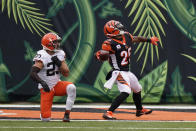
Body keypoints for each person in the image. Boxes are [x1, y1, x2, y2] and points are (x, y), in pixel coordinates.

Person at [95, 20, 159, 120]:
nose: (121, 29)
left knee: (137, 89)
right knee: (126, 91)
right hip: (118, 71)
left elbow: (136, 38)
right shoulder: (109, 43)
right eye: (118, 28)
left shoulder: (126, 36)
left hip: (126, 71)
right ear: (112, 32)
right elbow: (103, 54)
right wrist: (99, 55)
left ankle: (139, 110)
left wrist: (149, 40)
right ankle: (108, 112)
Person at [30, 32, 76, 122]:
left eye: (58, 42)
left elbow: (66, 73)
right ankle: (43, 114)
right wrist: (42, 83)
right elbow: (33, 73)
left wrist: (59, 63)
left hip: (57, 84)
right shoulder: (42, 55)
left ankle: (67, 115)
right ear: (49, 43)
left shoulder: (60, 53)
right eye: (55, 42)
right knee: (45, 119)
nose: (58, 44)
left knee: (71, 87)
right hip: (46, 88)